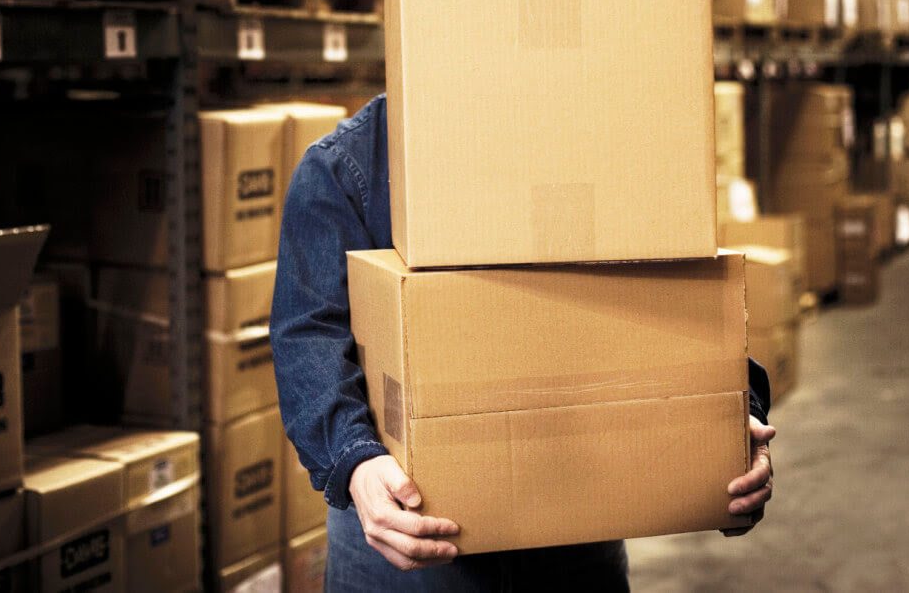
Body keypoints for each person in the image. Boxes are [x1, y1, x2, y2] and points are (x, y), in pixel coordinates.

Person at [270, 95, 776, 591]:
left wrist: (730, 421)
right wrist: (357, 461)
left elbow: (674, 291)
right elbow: (309, 331)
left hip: (576, 535)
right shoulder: (344, 167)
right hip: (405, 543)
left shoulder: (600, 150)